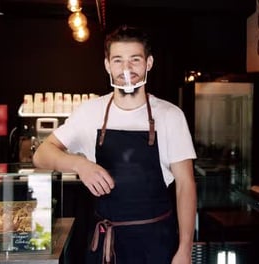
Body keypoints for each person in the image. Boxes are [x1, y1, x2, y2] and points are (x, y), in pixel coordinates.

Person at [33, 25, 197, 264]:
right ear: (107, 65)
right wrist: (79, 164)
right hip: (106, 245)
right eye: (118, 60)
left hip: (157, 244)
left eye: (135, 60)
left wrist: (185, 250)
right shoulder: (90, 112)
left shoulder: (170, 115)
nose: (126, 68)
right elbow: (41, 155)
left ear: (149, 63)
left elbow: (186, 185)